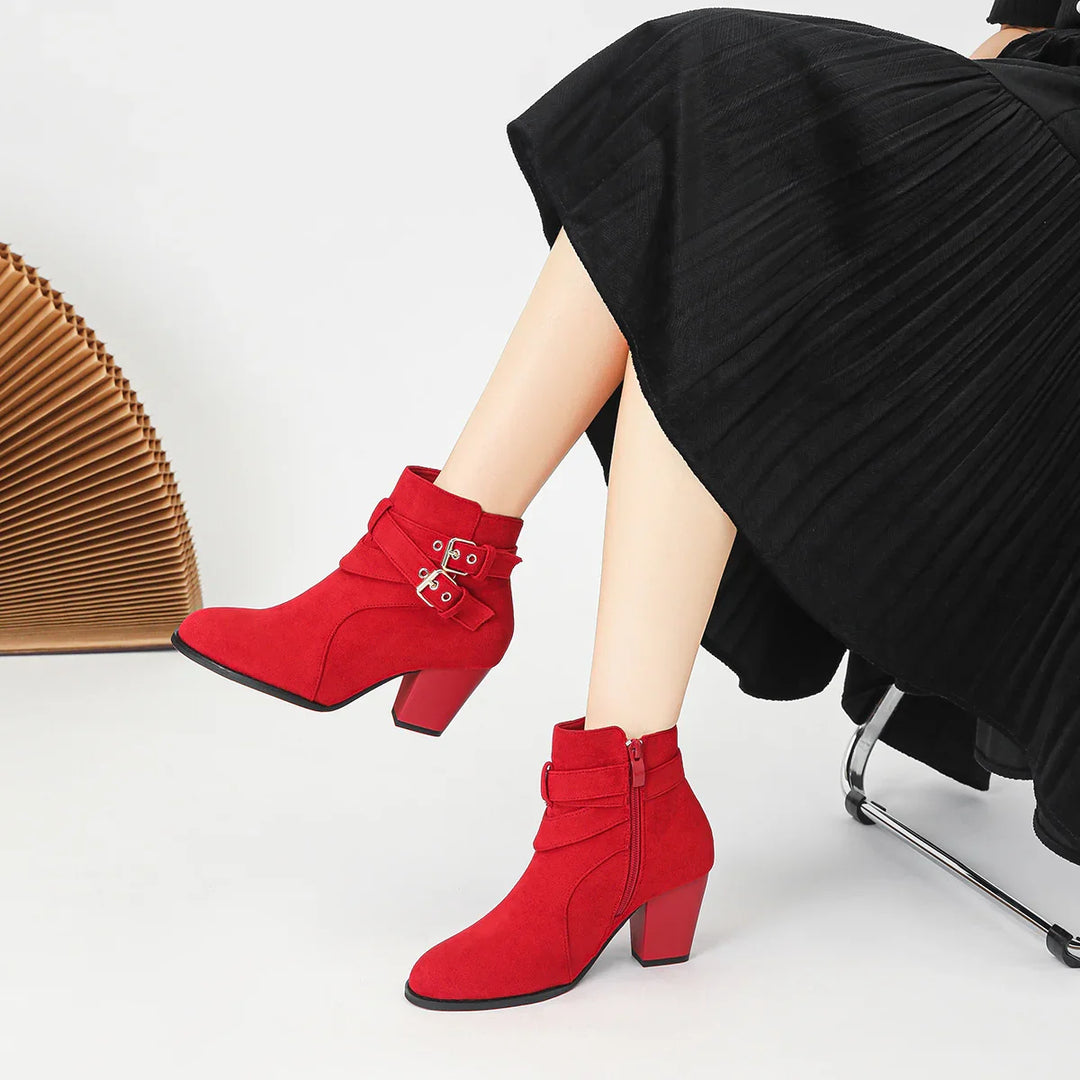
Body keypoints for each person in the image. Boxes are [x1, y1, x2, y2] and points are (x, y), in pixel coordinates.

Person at [172, 4, 1080, 1009]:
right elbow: (1016, 35)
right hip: (1039, 114)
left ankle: (436, 584)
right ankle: (614, 791)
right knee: (734, 182)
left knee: (718, 107)